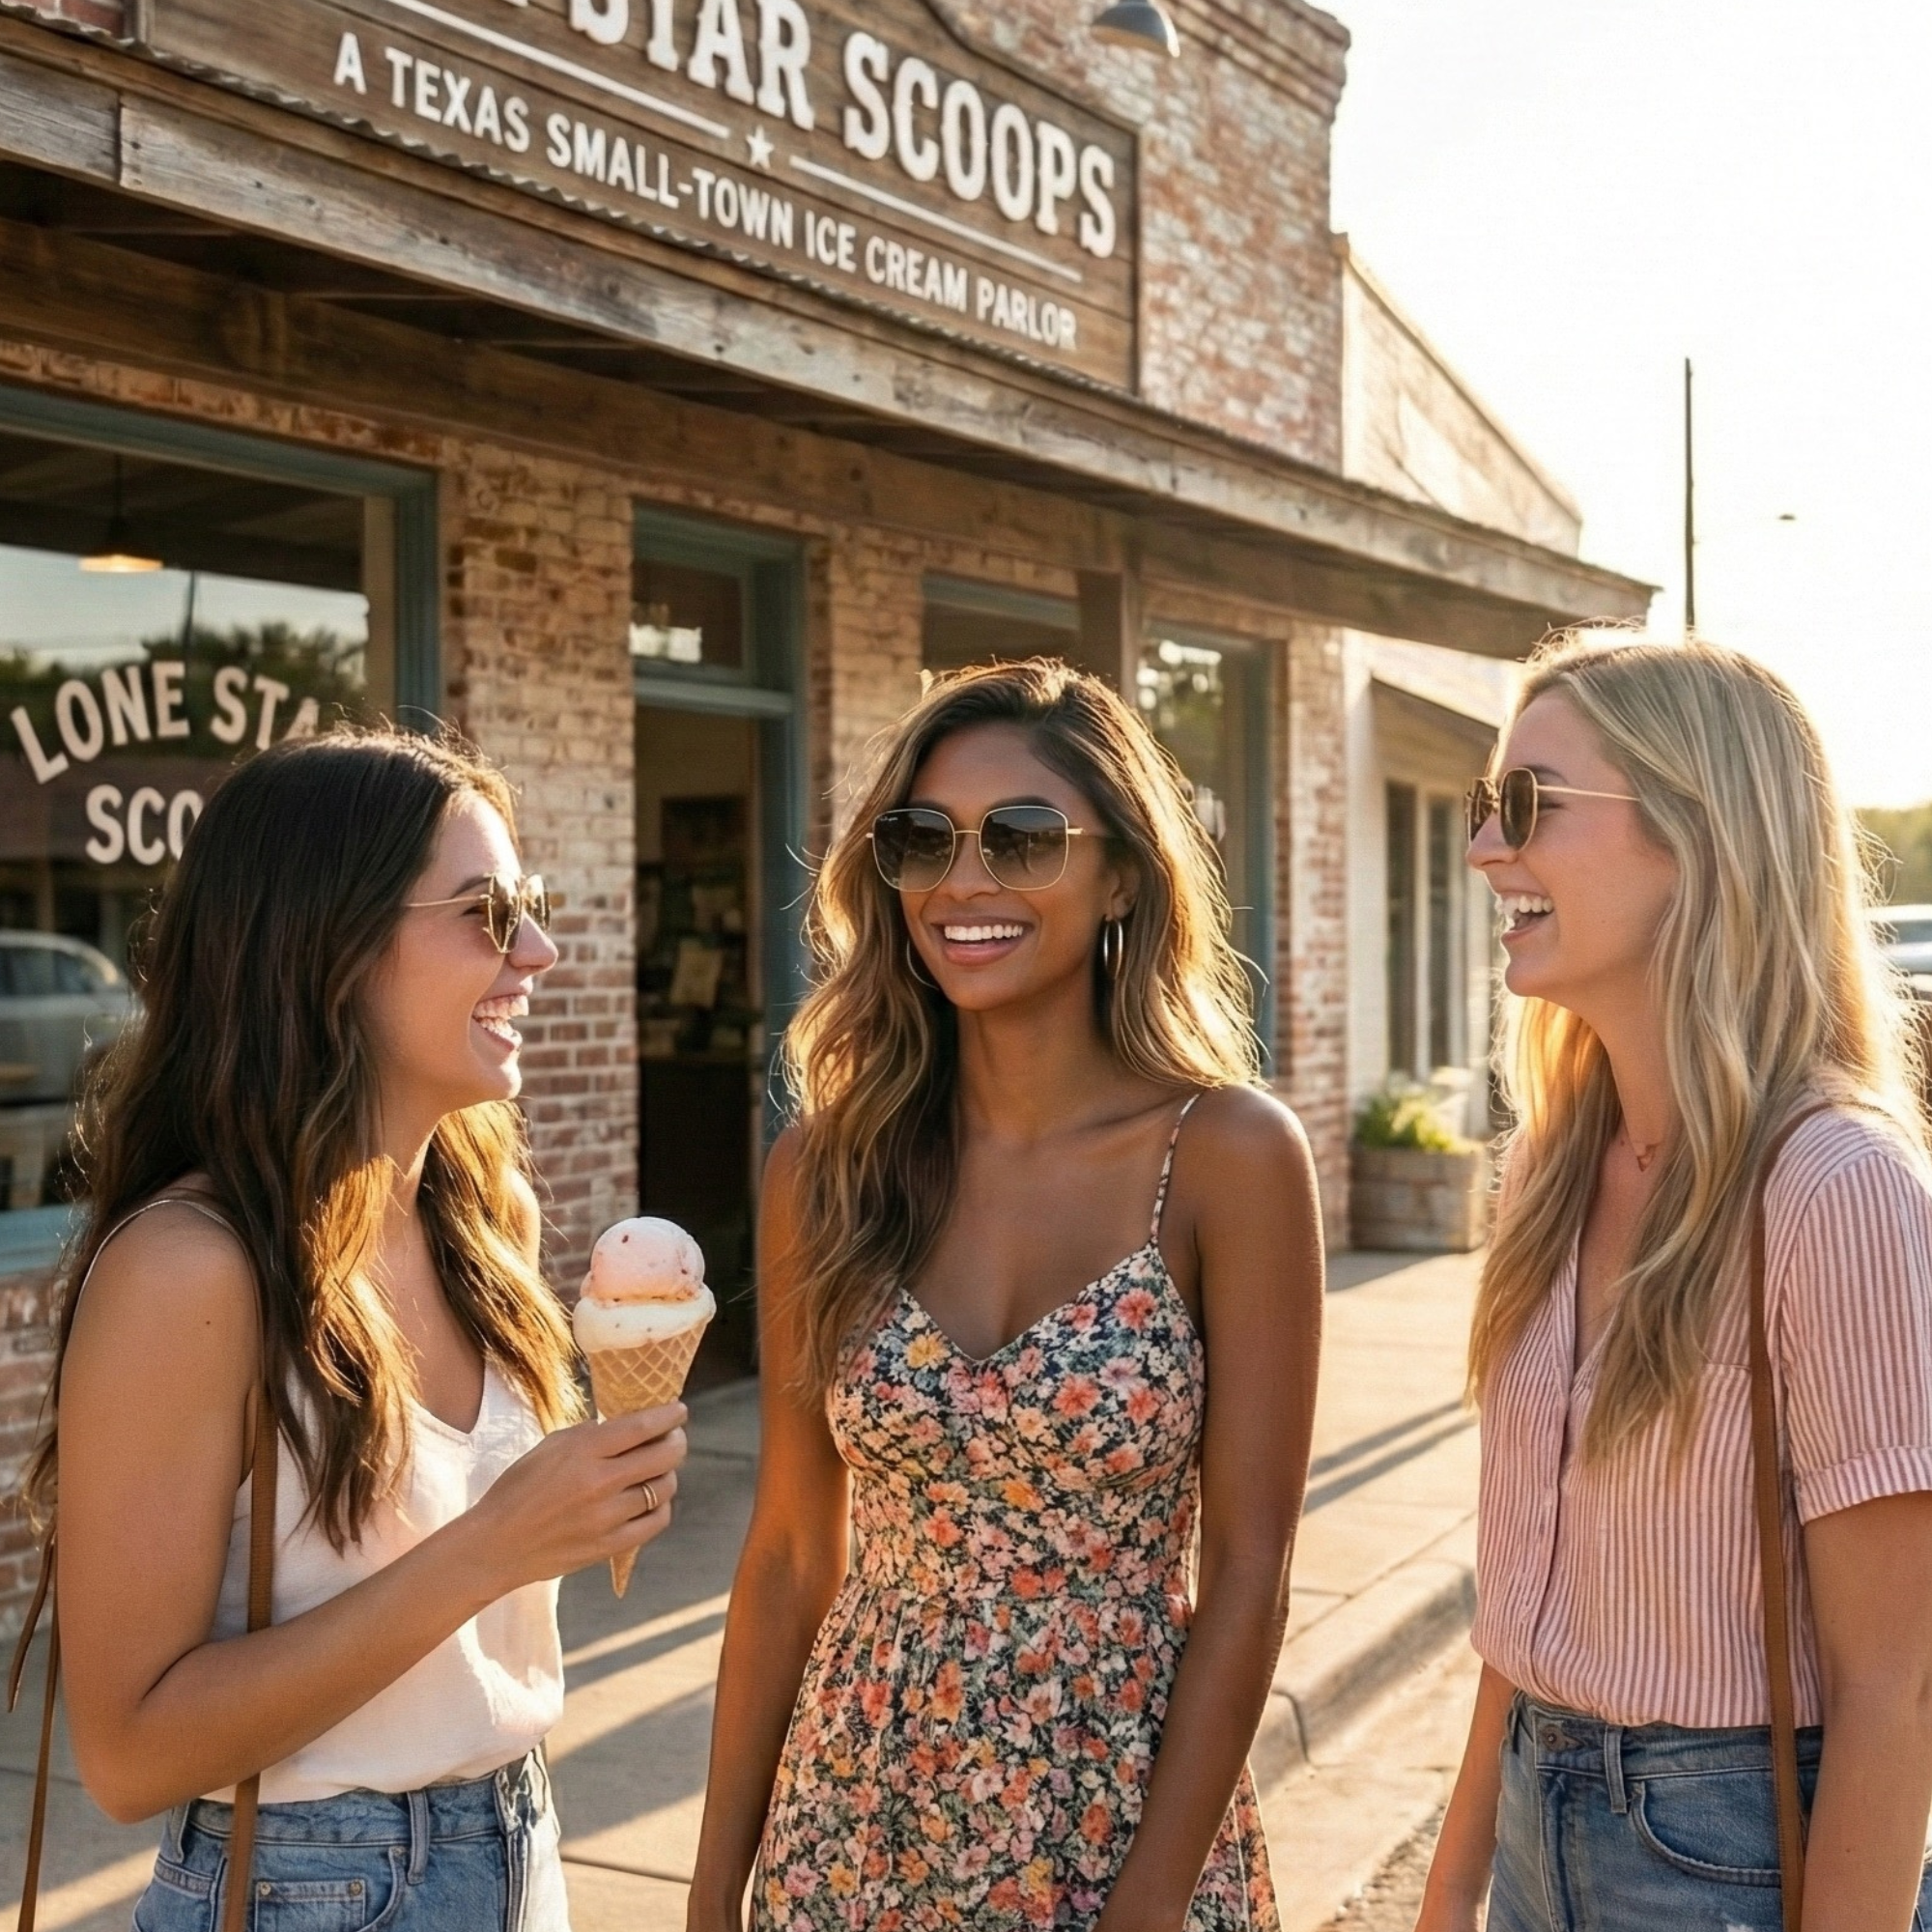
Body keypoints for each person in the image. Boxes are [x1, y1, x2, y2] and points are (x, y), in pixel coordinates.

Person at [688, 659, 1324, 1932]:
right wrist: (713, 1902)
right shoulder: (828, 1165)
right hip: (852, 1815)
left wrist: (1148, 1902)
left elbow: (1250, 1574)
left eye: (1023, 839)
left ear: (1125, 876)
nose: (963, 882)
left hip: (1117, 1813)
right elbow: (787, 1559)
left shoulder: (1229, 1156)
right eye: (922, 840)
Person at [30, 729, 688, 1929]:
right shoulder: (190, 1268)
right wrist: (493, 1544)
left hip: (516, 1843)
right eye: (487, 913)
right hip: (308, 1884)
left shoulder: (470, 1216)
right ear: (327, 945)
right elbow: (125, 1750)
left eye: (528, 906)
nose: (536, 950)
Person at [1416, 635, 1932, 1932]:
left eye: (1527, 806)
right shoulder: (1549, 1160)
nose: (1485, 849)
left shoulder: (1837, 1191)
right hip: (1540, 1811)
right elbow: (1514, 1614)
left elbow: (1902, 1693)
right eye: (1486, 808)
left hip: (1726, 1857)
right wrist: (1452, 1889)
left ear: (1700, 831)